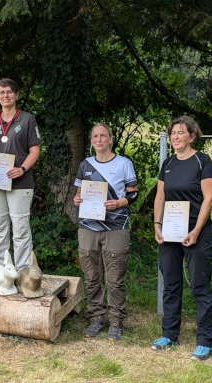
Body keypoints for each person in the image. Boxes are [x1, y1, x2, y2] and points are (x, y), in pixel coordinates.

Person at [152, 116, 212, 361]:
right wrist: (157, 225)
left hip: (196, 233)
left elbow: (208, 198)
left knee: (200, 286)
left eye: (181, 132)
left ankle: (205, 342)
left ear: (192, 135)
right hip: (169, 233)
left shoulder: (202, 161)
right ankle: (169, 334)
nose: (176, 137)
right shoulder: (168, 163)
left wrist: (197, 231)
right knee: (171, 284)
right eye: (173, 133)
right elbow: (160, 197)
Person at [73, 123, 138, 341]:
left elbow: (133, 194)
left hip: (116, 226)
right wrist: (76, 199)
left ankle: (117, 320)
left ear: (110, 139)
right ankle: (96, 317)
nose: (99, 140)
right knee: (91, 276)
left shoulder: (124, 163)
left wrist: (120, 203)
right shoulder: (85, 164)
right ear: (91, 140)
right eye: (95, 136)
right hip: (88, 226)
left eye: (103, 136)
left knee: (115, 278)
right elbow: (79, 193)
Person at [0, 78, 41, 271]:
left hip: (20, 182)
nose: (5, 95)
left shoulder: (27, 119)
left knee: (21, 228)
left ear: (16, 95)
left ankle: (23, 270)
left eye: (9, 92)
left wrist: (22, 169)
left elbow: (35, 150)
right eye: (1, 92)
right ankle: (0, 269)